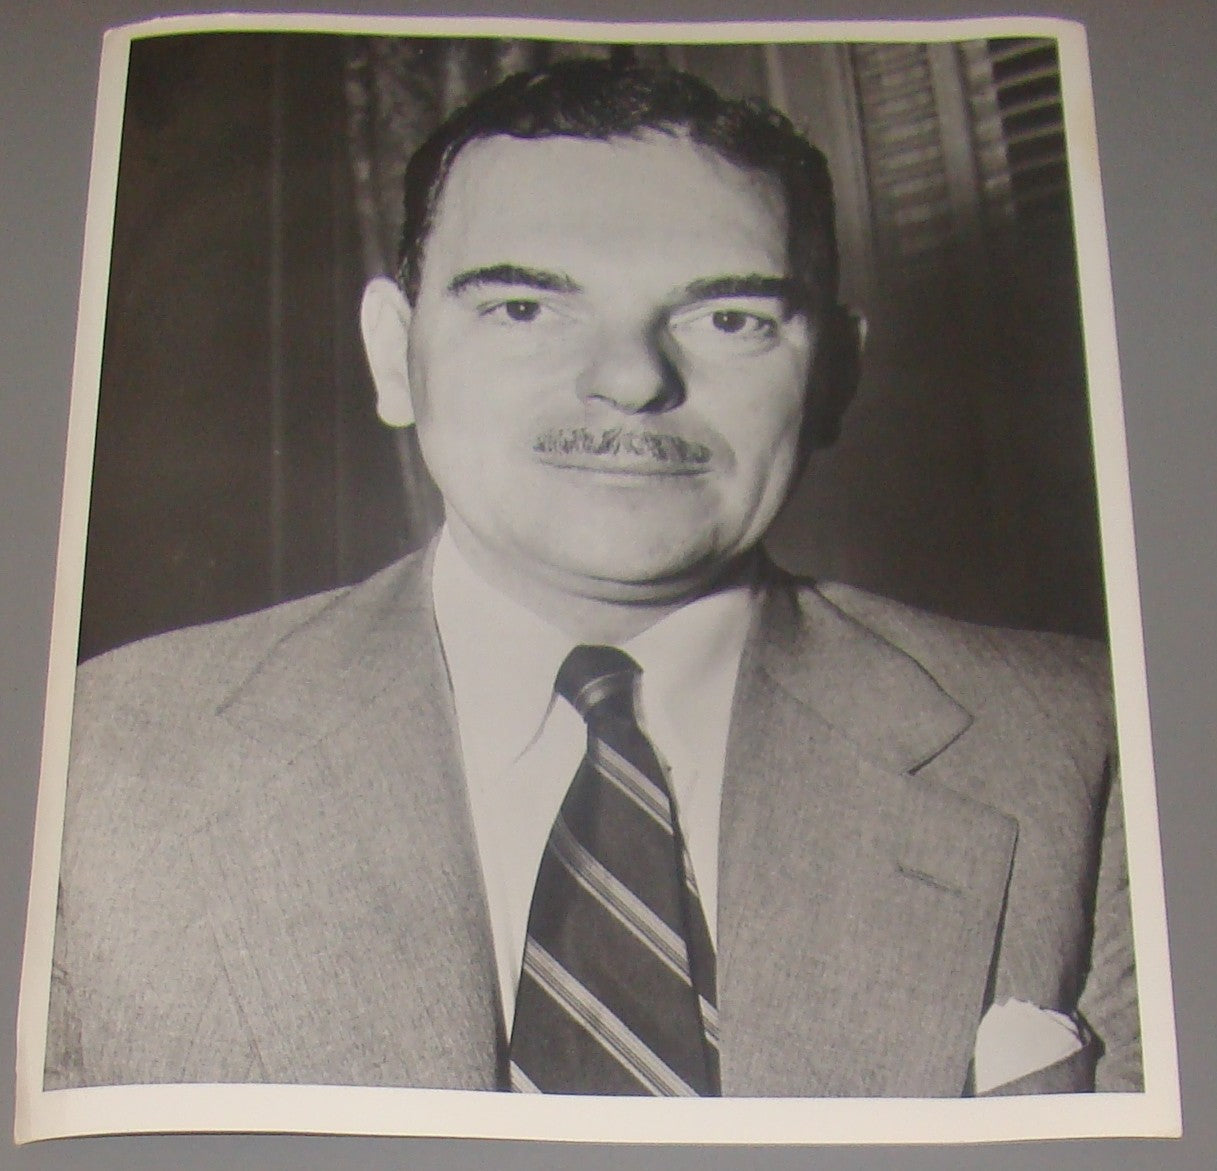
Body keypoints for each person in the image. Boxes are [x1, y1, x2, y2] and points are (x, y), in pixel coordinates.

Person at [46, 59, 1140, 1098]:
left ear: (834, 376)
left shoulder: (1083, 743)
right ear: (394, 353)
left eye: (729, 318)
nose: (628, 378)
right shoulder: (102, 754)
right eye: (523, 307)